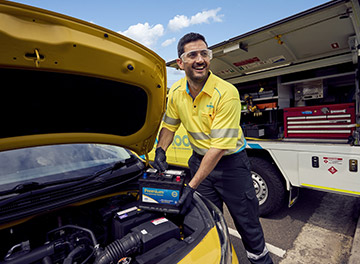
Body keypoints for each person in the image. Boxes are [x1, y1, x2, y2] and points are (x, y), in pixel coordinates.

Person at [154, 32, 273, 264]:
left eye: (204, 53)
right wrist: (161, 150)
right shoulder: (176, 93)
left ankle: (261, 260)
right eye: (192, 55)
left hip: (232, 167)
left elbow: (218, 149)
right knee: (207, 221)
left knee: (247, 224)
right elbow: (169, 126)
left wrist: (191, 185)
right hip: (200, 163)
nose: (200, 59)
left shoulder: (226, 93)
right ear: (180, 63)